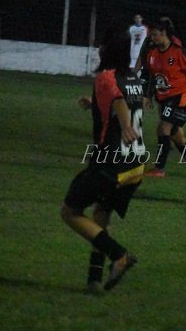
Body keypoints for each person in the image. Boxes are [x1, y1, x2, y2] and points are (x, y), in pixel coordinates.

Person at [61, 32, 145, 293]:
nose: (99, 48)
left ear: (109, 50)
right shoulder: (133, 78)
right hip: (135, 164)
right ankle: (94, 280)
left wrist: (125, 124)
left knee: (70, 212)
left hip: (110, 163)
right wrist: (96, 104)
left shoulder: (106, 77)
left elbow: (119, 101)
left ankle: (119, 255)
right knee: (100, 216)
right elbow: (122, 101)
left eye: (102, 45)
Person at [143, 17, 186, 178]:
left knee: (163, 128)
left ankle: (159, 169)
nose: (152, 38)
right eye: (151, 35)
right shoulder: (152, 53)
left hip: (179, 96)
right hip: (163, 97)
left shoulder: (178, 52)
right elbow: (152, 76)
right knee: (176, 134)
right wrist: (148, 96)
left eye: (154, 34)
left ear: (163, 33)